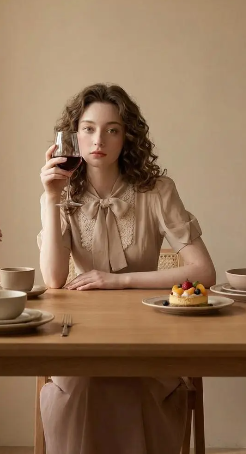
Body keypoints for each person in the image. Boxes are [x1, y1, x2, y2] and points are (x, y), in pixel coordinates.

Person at [36, 83, 216, 454]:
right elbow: (54, 280)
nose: (98, 138)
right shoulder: (61, 195)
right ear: (74, 135)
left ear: (126, 138)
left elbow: (203, 271)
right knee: (86, 385)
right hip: (81, 335)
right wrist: (51, 199)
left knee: (135, 383)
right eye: (88, 128)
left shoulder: (157, 191)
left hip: (150, 335)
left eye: (112, 129)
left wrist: (117, 280)